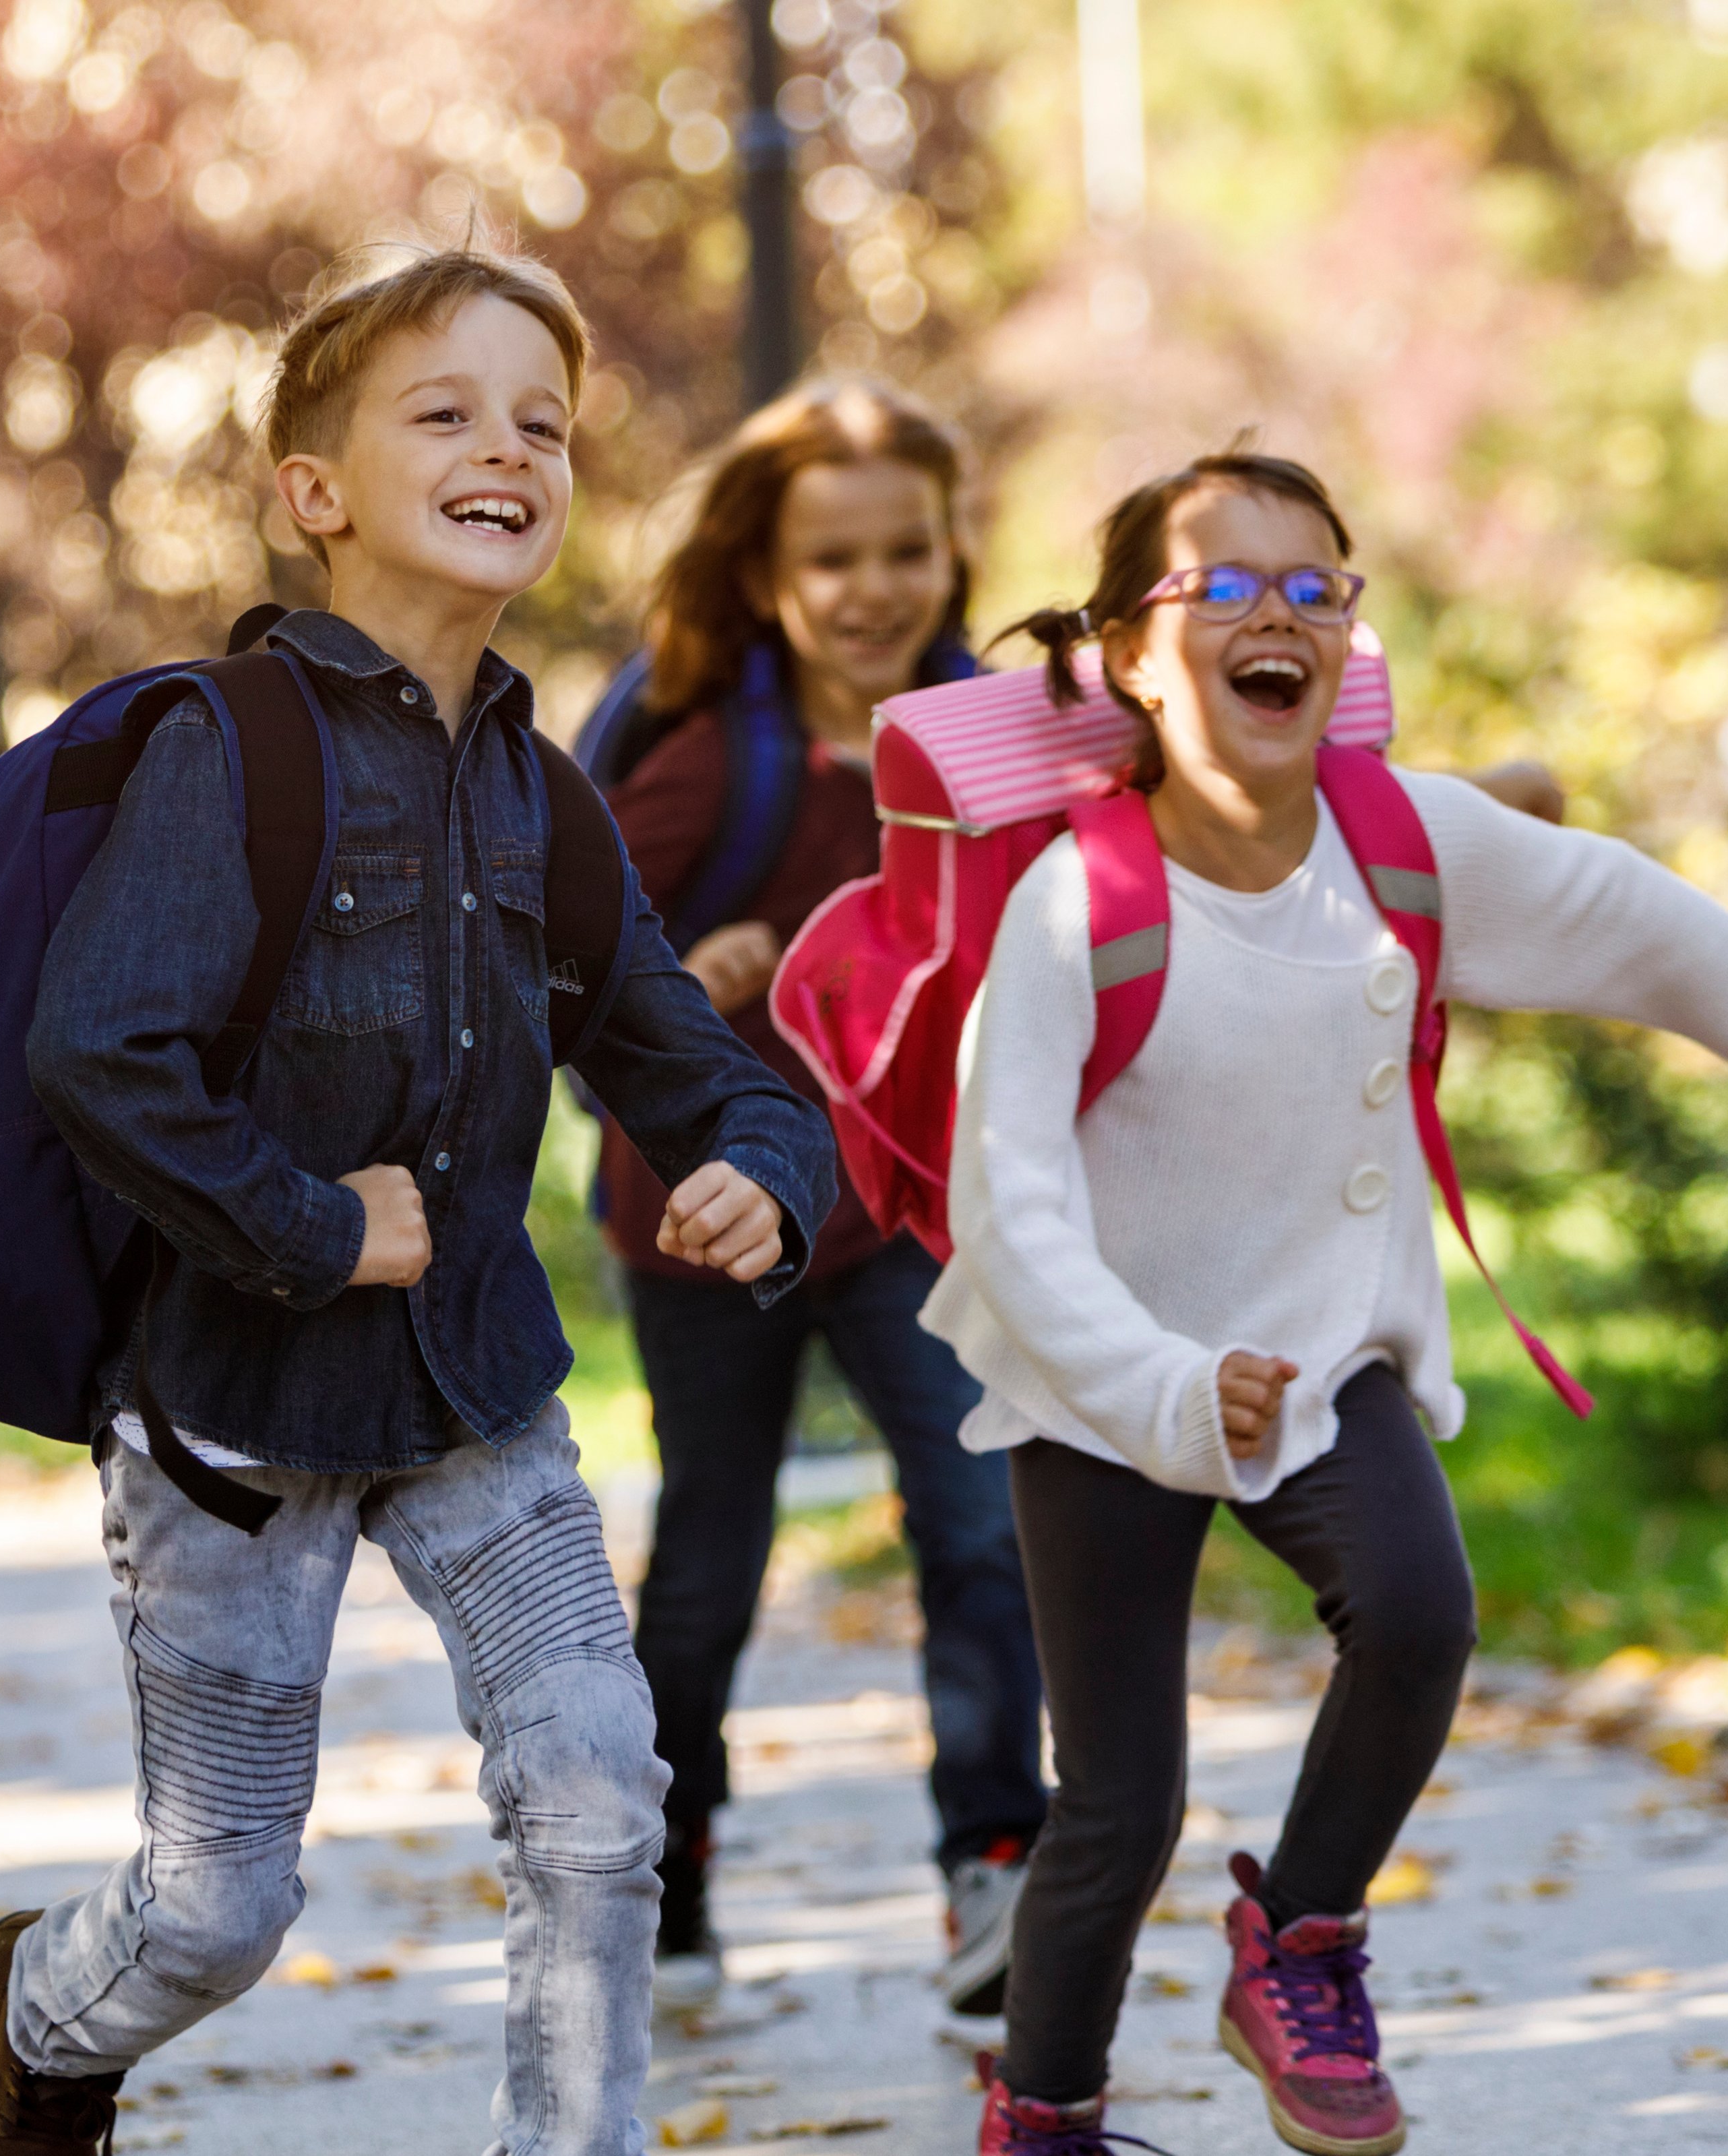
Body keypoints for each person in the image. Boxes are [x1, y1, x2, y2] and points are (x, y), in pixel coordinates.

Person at [0, 245, 837, 2156]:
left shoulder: (545, 798)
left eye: (544, 422)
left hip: (475, 1391)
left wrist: (761, 1169)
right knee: (216, 1907)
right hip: (229, 1423)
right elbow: (101, 1057)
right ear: (316, 494)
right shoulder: (226, 751)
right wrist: (314, 1225)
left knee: (603, 1794)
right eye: (445, 412)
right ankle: (36, 2016)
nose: (507, 446)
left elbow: (697, 1061)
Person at [932, 452, 1728, 2156]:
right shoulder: (1078, 898)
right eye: (1221, 586)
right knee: (1117, 1805)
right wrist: (1160, 1386)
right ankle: (1050, 2114)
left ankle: (1300, 1937)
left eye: (1318, 585)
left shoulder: (1408, 842)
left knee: (1421, 1610)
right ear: (1131, 656)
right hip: (1105, 1378)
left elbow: (1628, 916)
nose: (1279, 615)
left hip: (1319, 1349)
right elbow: (1005, 1206)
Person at [583, 379, 1049, 2017]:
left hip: (911, 1207)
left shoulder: (997, 732)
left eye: (905, 549)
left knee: (982, 1520)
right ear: (768, 569)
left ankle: (994, 1863)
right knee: (712, 1553)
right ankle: (670, 1852)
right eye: (832, 556)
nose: (873, 588)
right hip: (710, 1210)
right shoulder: (719, 758)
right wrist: (682, 981)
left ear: (952, 552)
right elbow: (569, 953)